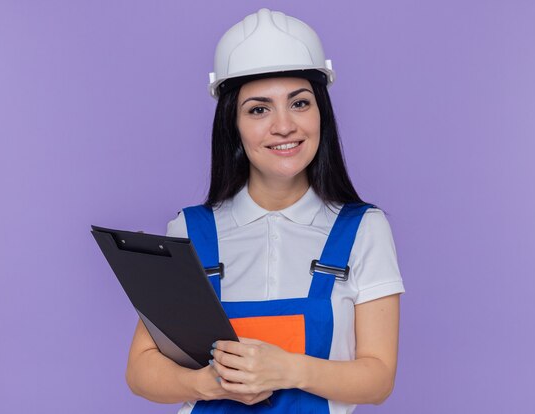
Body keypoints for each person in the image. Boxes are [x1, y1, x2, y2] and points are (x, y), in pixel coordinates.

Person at [125, 8, 405, 414]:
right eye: (259, 109)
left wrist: (287, 369)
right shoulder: (190, 229)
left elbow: (378, 379)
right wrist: (208, 383)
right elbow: (140, 369)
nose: (284, 126)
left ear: (320, 112)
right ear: (232, 125)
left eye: (300, 103)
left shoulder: (363, 229)